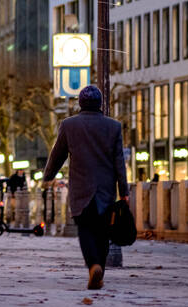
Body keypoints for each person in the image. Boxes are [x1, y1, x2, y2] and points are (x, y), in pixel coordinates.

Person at [42, 85, 128, 290]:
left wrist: (48, 177)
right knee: (103, 233)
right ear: (100, 104)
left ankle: (93, 266)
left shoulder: (69, 125)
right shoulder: (113, 127)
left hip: (81, 189)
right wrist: (124, 192)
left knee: (86, 230)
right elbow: (119, 163)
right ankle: (100, 271)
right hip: (105, 190)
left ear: (80, 103)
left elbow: (58, 155)